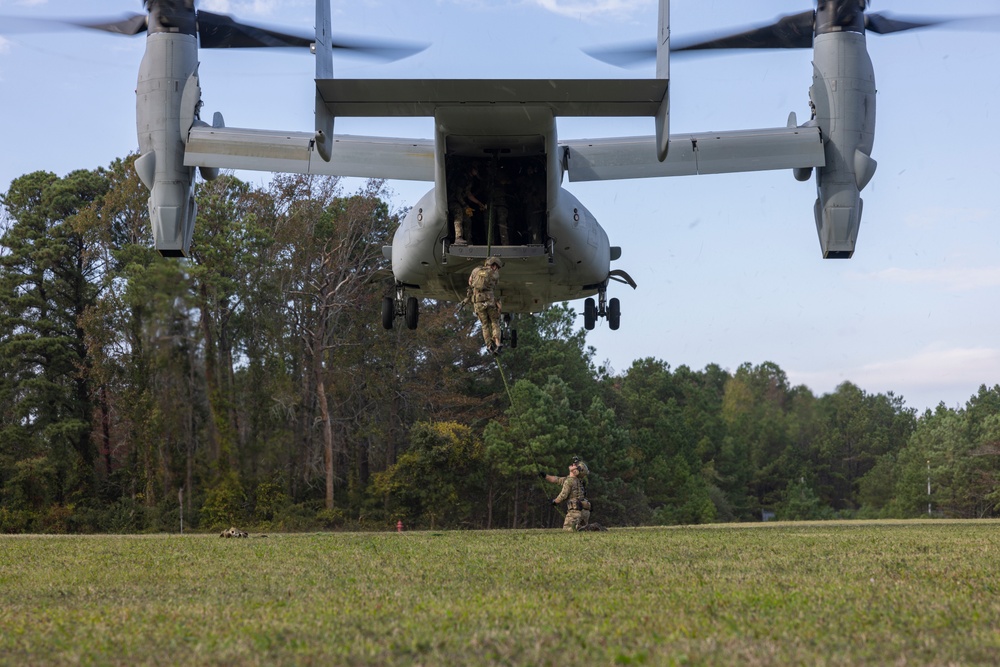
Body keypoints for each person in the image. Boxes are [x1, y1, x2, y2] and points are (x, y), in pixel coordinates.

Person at [540, 457, 591, 531]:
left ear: (576, 471)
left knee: (568, 530)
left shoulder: (569, 481)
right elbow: (556, 479)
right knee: (582, 531)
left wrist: (554, 501)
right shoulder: (576, 481)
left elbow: (563, 495)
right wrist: (545, 476)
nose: (573, 464)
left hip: (575, 512)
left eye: (575, 465)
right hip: (584, 512)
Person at [468, 256, 503, 353]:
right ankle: (497, 343)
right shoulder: (494, 274)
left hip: (478, 302)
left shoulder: (475, 270)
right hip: (490, 302)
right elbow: (495, 284)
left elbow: (470, 282)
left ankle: (488, 345)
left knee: (484, 325)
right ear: (494, 265)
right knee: (495, 322)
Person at [449, 164, 486, 245]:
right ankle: (458, 238)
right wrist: (465, 205)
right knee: (459, 214)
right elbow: (458, 195)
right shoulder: (462, 178)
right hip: (454, 201)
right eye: (475, 169)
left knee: (468, 220)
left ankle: (469, 241)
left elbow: (468, 194)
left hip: (460, 201)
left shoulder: (469, 179)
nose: (476, 172)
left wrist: (479, 203)